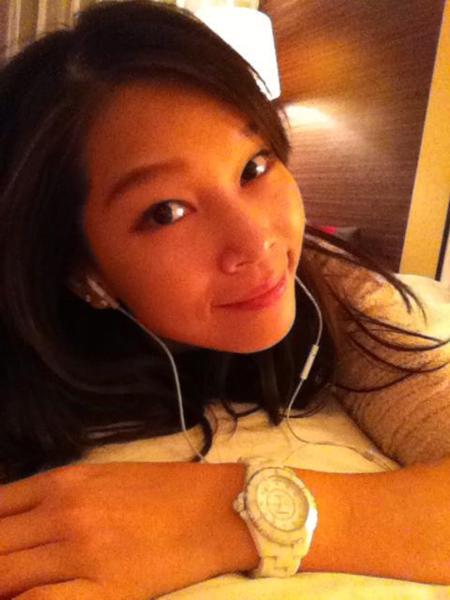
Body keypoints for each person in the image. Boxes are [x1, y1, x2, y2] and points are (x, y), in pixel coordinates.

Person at [0, 1, 449, 598]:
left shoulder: (328, 286)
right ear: (80, 269)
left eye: (254, 167)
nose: (256, 243)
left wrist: (230, 514)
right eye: (167, 211)